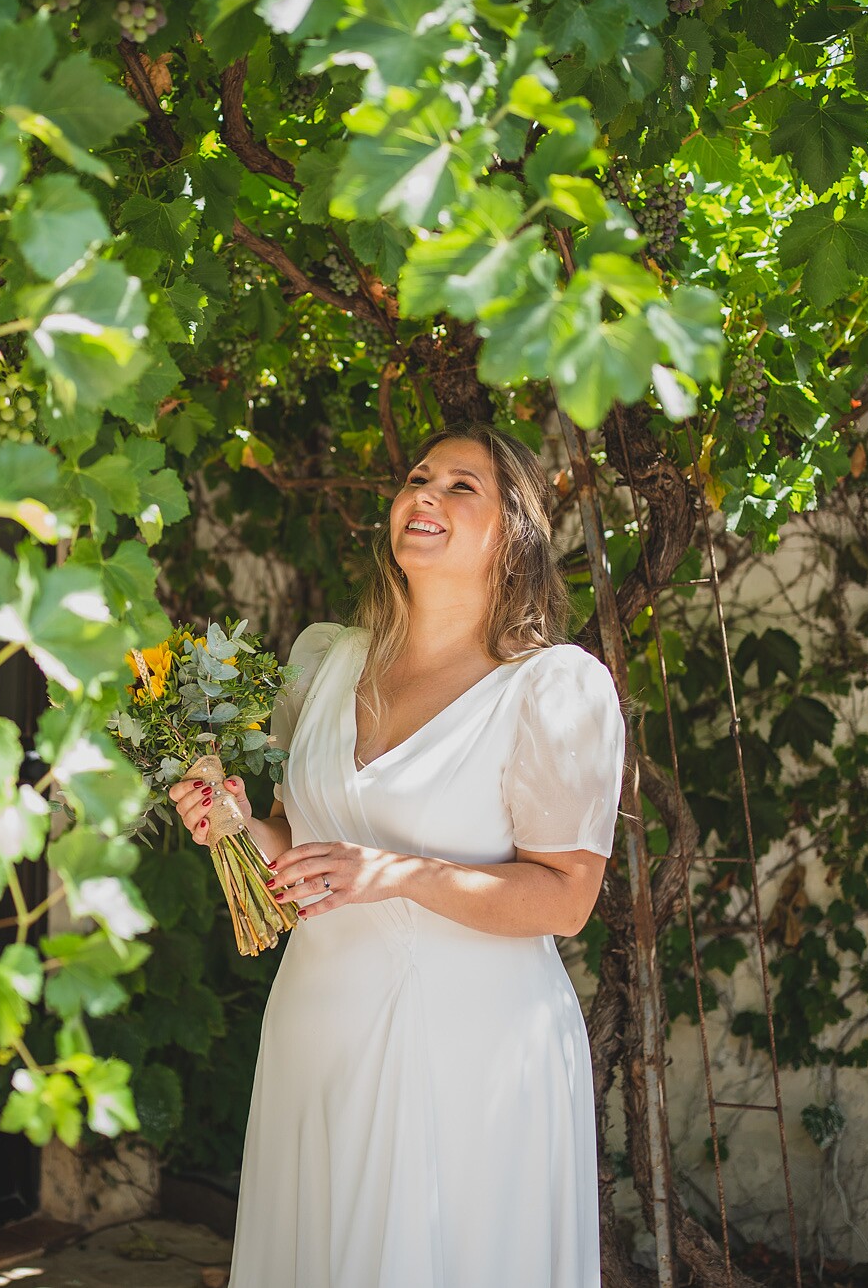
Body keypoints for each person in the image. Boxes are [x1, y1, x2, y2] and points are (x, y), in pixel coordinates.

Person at [167, 421, 629, 1288]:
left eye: (464, 486)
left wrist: (395, 874)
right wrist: (234, 822)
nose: (427, 494)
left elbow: (566, 897)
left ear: (515, 533)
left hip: (470, 1053)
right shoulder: (326, 662)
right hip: (318, 1029)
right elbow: (294, 844)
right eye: (420, 477)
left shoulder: (554, 687)